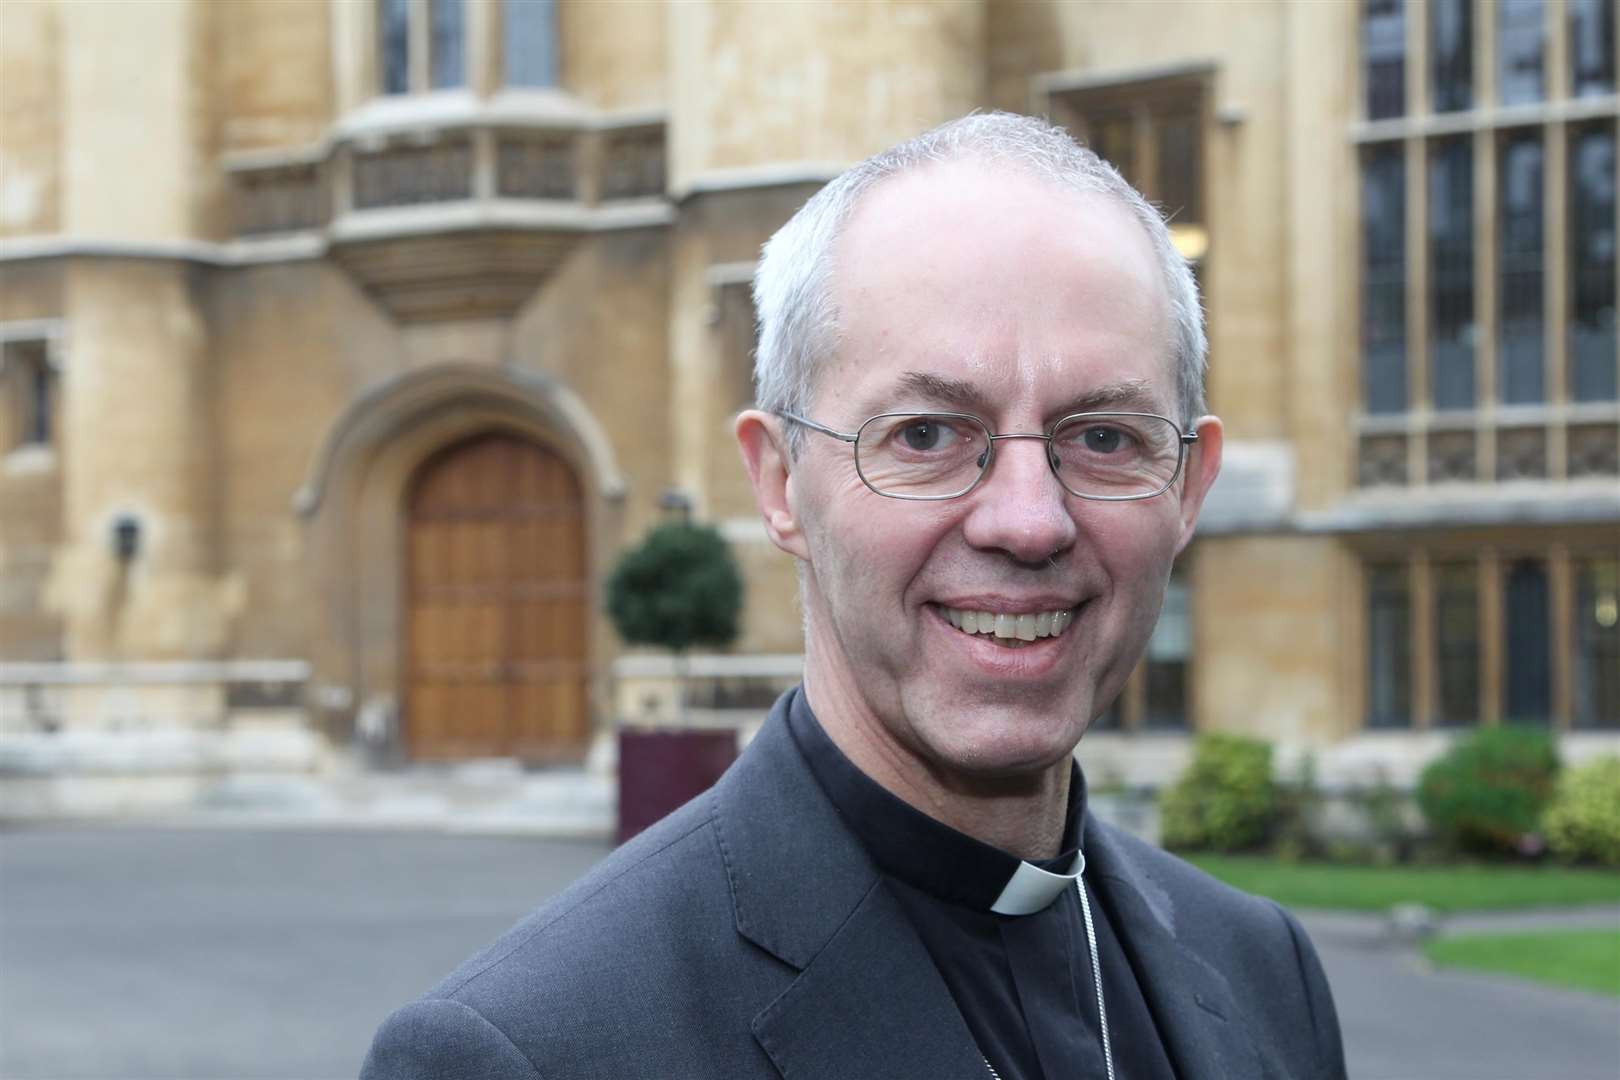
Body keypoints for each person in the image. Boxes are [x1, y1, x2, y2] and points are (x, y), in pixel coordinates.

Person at [362, 112, 1348, 1080]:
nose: (1029, 521)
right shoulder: (530, 1051)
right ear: (780, 482)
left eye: (1103, 438)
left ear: (1188, 485)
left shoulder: (1265, 971)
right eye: (925, 435)